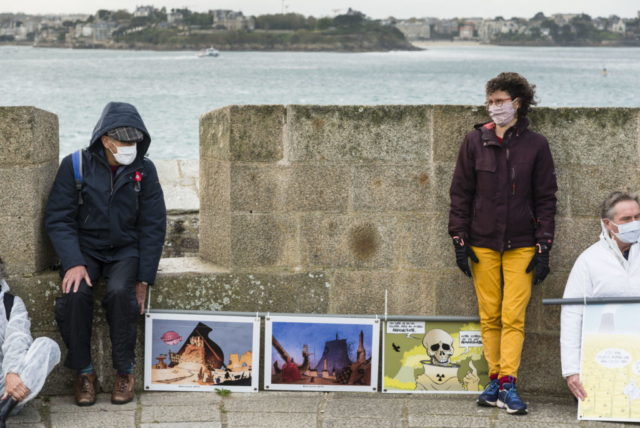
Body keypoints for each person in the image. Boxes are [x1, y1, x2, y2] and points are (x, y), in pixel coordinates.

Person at [448, 72, 558, 415]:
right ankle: (494, 380)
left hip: (522, 244)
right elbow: (460, 193)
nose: (494, 107)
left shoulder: (536, 144)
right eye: (490, 101)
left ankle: (508, 383)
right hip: (481, 243)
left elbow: (546, 198)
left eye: (500, 101)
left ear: (518, 102)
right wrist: (459, 238)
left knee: (513, 316)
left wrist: (544, 245)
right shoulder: (474, 141)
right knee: (489, 315)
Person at [45, 102, 166, 406]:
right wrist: (73, 262)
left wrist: (144, 279)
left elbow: (153, 225)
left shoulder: (145, 170)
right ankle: (84, 373)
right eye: (123, 142)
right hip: (85, 248)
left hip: (126, 249)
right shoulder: (75, 165)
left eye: (134, 141)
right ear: (105, 140)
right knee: (75, 294)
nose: (129, 147)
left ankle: (124, 372)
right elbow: (59, 218)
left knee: (120, 293)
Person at [561, 192, 640, 401]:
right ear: (607, 223)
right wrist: (572, 370)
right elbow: (572, 314)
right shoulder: (589, 261)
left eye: (637, 217)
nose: (634, 223)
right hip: (606, 355)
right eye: (626, 219)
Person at [0, 259, 60, 427]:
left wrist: (12, 372)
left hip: (7, 389)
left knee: (48, 346)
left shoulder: (11, 303)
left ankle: (3, 411)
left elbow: (18, 338)